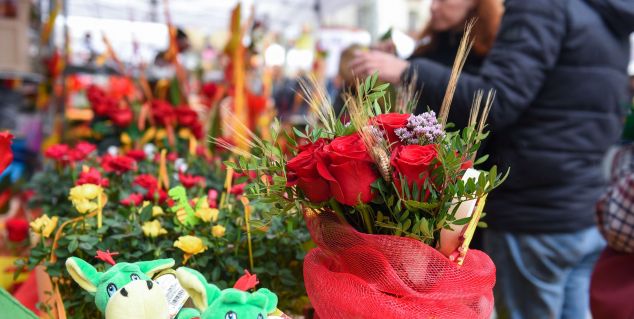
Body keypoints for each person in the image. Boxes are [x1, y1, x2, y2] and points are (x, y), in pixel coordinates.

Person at [351, 0, 634, 318]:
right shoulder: (604, 13)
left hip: (533, 214)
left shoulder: (544, 7)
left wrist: (407, 70)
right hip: (582, 208)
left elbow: (497, 100)